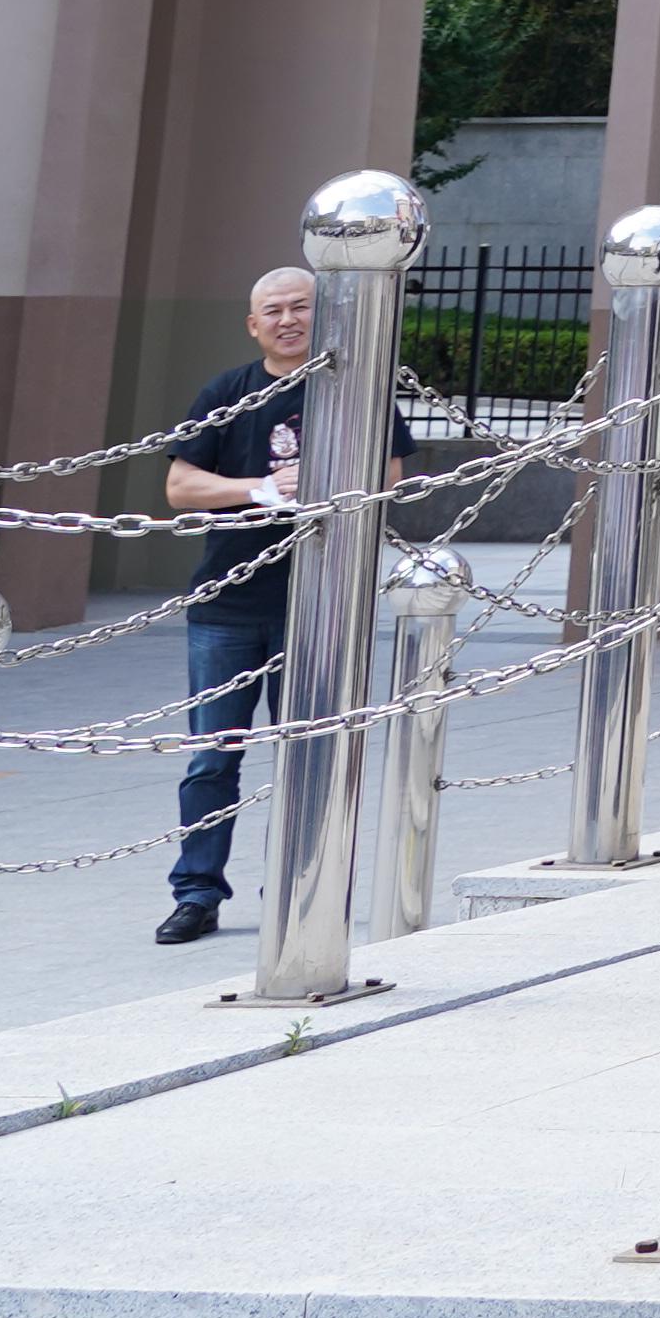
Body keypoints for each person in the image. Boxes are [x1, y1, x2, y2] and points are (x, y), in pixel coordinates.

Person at [152, 264, 419, 943]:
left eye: (300, 307)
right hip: (229, 604)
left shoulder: (355, 391)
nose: (287, 319)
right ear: (253, 323)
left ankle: (299, 884)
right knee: (213, 756)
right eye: (272, 310)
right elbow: (180, 488)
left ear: (322, 315)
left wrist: (327, 484)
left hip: (321, 604)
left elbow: (388, 480)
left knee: (309, 752)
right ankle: (197, 893)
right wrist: (260, 489)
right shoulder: (227, 392)